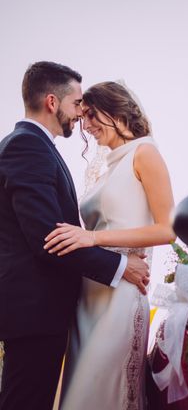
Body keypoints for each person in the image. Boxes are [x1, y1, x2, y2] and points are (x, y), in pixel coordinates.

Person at [0, 62, 149, 410]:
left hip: (42, 311)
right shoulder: (27, 146)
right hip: (34, 312)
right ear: (52, 102)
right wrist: (120, 266)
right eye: (76, 103)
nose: (80, 113)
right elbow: (48, 239)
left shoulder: (35, 146)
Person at [41, 80, 176, 409]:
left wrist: (93, 237)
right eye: (82, 115)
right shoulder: (104, 167)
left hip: (122, 294)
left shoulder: (145, 153)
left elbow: (168, 229)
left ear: (114, 109)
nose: (85, 124)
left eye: (91, 115)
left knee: (100, 396)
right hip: (89, 295)